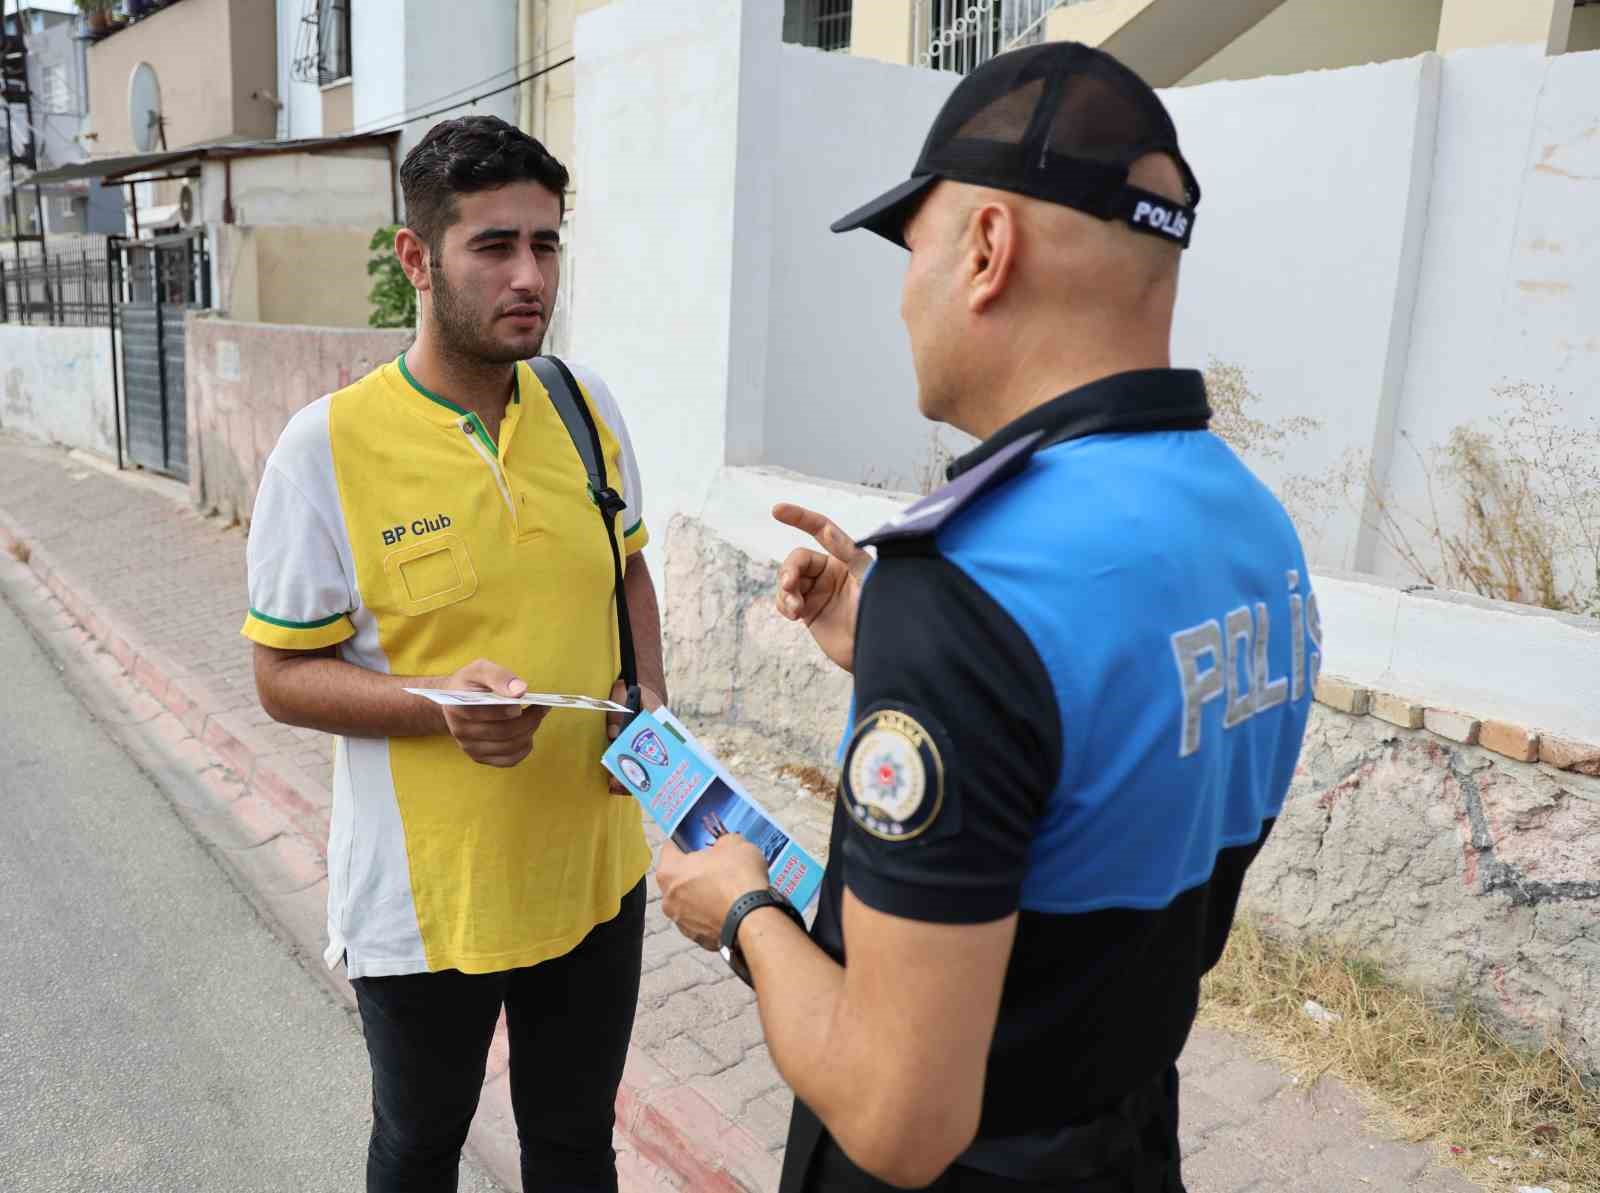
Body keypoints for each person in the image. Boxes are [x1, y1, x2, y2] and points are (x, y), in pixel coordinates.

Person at [655, 42, 1317, 1193]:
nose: (904, 296)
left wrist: (744, 914)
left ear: (985, 250)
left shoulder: (968, 589)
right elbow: (1106, 737)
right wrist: (892, 647)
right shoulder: (1249, 524)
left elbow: (898, 1114)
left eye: (907, 252)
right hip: (1126, 1138)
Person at [242, 115, 664, 1193]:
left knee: (574, 1146)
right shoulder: (323, 448)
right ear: (417, 258)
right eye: (495, 246)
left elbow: (626, 568)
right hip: (430, 908)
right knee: (420, 1144)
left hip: (596, 876)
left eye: (547, 243)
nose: (531, 276)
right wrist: (440, 705)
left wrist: (649, 696)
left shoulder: (583, 404)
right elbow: (283, 675)